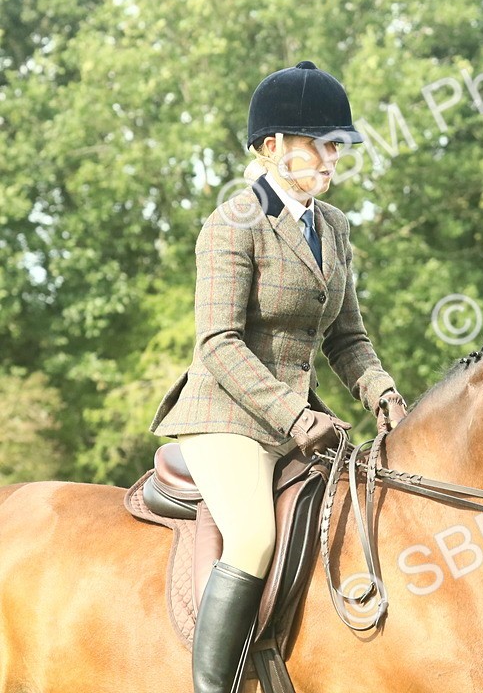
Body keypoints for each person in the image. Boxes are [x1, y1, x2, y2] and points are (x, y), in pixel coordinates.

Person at [147, 60, 410, 693]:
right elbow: (218, 343)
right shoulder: (232, 223)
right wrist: (294, 416)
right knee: (253, 537)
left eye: (338, 146)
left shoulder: (334, 228)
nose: (332, 158)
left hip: (301, 421)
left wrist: (384, 395)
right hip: (227, 416)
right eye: (320, 144)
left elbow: (348, 337)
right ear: (272, 148)